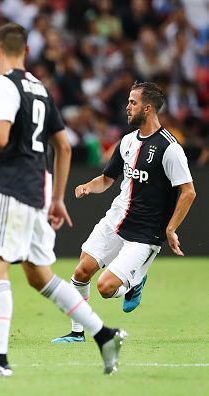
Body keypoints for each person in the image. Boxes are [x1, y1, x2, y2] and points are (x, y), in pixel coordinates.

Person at [0, 23, 126, 378]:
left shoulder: (2, 84)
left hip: (12, 187)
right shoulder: (39, 88)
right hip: (38, 190)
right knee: (38, 275)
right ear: (27, 52)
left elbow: (0, 135)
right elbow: (62, 146)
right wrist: (58, 198)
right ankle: (104, 334)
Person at [51, 82, 196, 343]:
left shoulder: (170, 148)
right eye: (128, 101)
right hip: (116, 219)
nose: (127, 107)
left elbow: (188, 192)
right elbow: (107, 179)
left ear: (148, 108)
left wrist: (171, 228)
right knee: (81, 271)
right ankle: (77, 333)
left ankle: (135, 281)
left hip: (145, 233)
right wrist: (87, 186)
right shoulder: (127, 141)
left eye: (133, 102)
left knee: (105, 288)